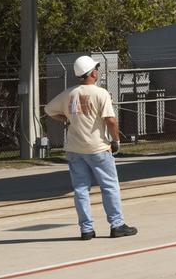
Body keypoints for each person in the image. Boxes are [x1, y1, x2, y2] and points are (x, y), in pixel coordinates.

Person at [44, 55, 137, 241]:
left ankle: (86, 229)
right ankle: (117, 224)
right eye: (97, 69)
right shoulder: (100, 93)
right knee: (109, 186)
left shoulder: (69, 94)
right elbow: (110, 120)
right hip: (98, 148)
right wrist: (116, 140)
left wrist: (67, 119)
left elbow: (49, 110)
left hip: (75, 149)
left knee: (81, 189)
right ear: (93, 73)